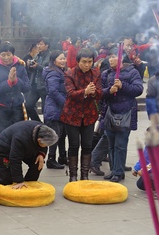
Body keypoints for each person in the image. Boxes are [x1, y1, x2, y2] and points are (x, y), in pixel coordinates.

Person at [60, 48, 103, 182]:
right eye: (84, 62)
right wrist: (85, 91)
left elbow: (100, 93)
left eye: (90, 62)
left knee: (87, 145)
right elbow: (70, 93)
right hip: (72, 115)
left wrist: (94, 92)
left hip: (89, 115)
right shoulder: (69, 74)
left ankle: (85, 175)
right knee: (73, 145)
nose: (87, 64)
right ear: (78, 61)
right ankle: (73, 175)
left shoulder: (96, 74)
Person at [101, 47, 143, 182]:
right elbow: (101, 92)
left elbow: (138, 89)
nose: (111, 59)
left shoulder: (132, 72)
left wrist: (122, 86)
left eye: (114, 56)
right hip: (110, 111)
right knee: (111, 144)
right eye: (110, 56)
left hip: (125, 112)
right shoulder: (106, 73)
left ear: (121, 58)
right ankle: (114, 170)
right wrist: (109, 90)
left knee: (120, 144)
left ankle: (119, 172)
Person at [0, 121, 58, 189]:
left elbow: (44, 145)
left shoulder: (44, 130)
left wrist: (41, 154)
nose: (46, 146)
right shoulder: (20, 138)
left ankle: (29, 182)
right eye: (46, 145)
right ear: (39, 140)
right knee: (7, 180)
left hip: (25, 148)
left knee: (38, 163)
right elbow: (15, 159)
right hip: (3, 150)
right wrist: (19, 181)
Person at [0, 42, 30, 135]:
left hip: (17, 106)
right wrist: (8, 83)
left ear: (13, 55)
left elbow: (27, 88)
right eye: (3, 55)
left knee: (18, 134)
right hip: (0, 107)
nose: (6, 57)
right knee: (3, 135)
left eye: (8, 54)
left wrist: (16, 81)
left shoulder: (20, 67)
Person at [42, 50, 68, 169]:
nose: (63, 61)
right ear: (54, 61)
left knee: (62, 134)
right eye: (60, 59)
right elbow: (53, 91)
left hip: (60, 109)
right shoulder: (53, 73)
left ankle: (62, 156)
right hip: (54, 108)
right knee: (55, 134)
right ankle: (51, 159)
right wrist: (65, 103)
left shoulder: (60, 72)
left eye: (64, 58)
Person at [25, 37, 50, 121]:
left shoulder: (50, 56)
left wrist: (37, 66)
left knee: (45, 109)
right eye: (38, 44)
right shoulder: (37, 55)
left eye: (41, 44)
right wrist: (29, 65)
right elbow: (32, 69)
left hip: (44, 85)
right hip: (34, 84)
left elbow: (48, 69)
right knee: (28, 105)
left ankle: (47, 128)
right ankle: (38, 123)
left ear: (47, 46)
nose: (39, 46)